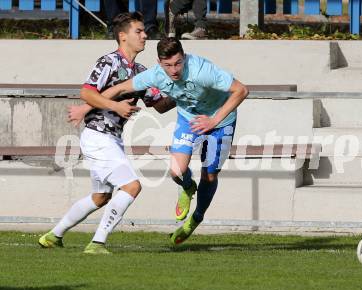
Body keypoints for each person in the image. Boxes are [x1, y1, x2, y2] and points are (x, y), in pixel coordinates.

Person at [82, 37, 249, 245]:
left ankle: (195, 219)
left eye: (178, 63)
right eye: (168, 65)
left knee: (210, 175)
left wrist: (214, 119)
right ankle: (187, 187)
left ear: (184, 58)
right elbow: (118, 89)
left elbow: (241, 90)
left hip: (221, 120)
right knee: (176, 171)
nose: (174, 70)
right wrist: (85, 107)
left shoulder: (202, 71)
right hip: (189, 119)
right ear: (160, 62)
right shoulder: (154, 74)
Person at [38, 12, 155, 254]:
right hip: (98, 136)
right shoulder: (108, 62)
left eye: (144, 31)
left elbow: (160, 104)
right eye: (139, 31)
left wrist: (186, 92)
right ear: (123, 36)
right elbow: (87, 92)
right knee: (132, 186)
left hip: (112, 139)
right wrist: (116, 106)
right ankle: (97, 243)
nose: (145, 35)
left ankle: (53, 236)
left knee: (101, 196)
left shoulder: (142, 71)